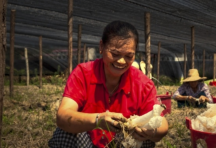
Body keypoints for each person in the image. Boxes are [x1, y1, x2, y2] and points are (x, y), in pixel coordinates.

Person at [48, 20, 168, 148]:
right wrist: (97, 120)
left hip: (121, 143)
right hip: (86, 143)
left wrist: (150, 131)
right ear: (101, 47)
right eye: (115, 54)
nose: (121, 61)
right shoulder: (83, 74)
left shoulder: (143, 84)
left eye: (129, 56)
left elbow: (162, 124)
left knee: (147, 139)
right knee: (65, 133)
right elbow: (63, 116)